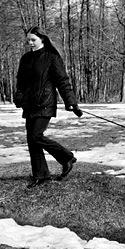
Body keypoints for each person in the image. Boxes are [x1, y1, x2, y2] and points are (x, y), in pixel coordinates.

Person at [14, 26, 83, 188]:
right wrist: (19, 96)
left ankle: (66, 157)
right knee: (32, 140)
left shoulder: (52, 57)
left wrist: (71, 102)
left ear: (42, 39)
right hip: (29, 104)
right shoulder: (25, 59)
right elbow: (21, 82)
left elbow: (62, 81)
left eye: (33, 40)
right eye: (28, 40)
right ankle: (41, 176)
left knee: (36, 136)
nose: (30, 43)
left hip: (45, 103)